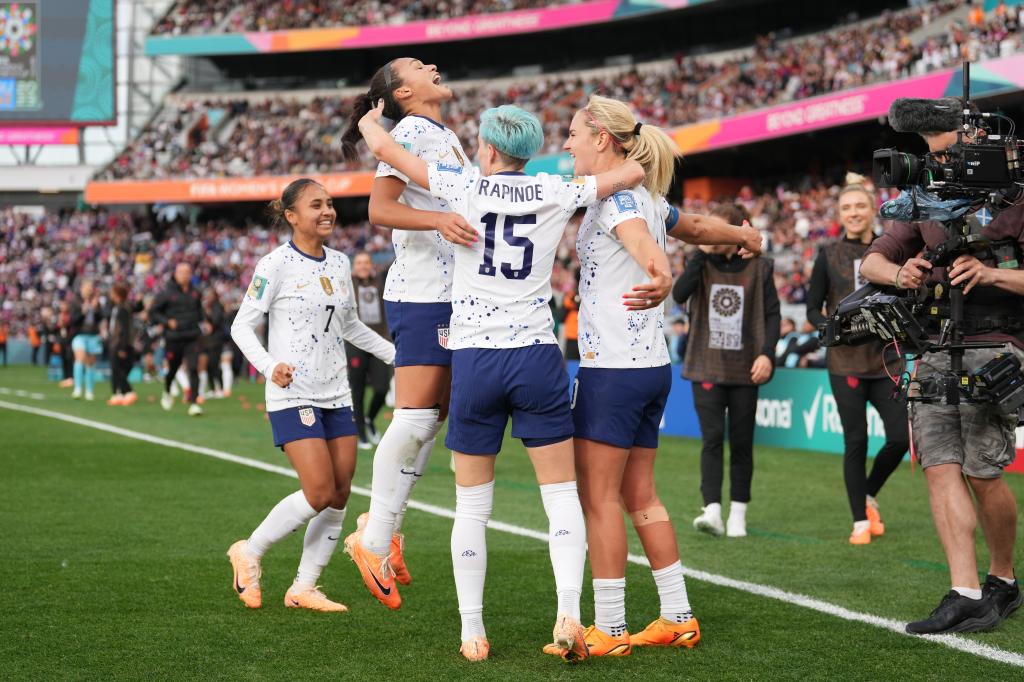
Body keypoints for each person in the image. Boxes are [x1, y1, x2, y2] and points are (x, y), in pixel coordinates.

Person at [359, 100, 644, 662]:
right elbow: (631, 172)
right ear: (529, 152)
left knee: (472, 507)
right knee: (561, 498)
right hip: (537, 353)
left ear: (488, 149)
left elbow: (391, 155)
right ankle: (569, 613)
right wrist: (621, 150)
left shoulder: (463, 184)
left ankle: (473, 633)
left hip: (475, 357)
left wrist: (371, 122)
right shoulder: (557, 191)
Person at [556, 95, 763, 656]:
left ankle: (611, 628)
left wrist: (662, 271)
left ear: (601, 137)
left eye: (573, 133)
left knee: (597, 499)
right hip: (651, 367)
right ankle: (677, 616)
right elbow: (691, 225)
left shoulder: (619, 200)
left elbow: (649, 249)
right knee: (640, 496)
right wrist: (741, 236)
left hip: (613, 370)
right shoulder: (646, 196)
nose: (567, 143)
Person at [860, 114, 1023, 634]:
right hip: (932, 346)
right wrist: (900, 271)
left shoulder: (1016, 197)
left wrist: (993, 271)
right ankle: (964, 591)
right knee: (939, 465)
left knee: (982, 471)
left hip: (996, 344)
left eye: (947, 152)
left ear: (978, 143)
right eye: (932, 154)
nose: (939, 163)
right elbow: (872, 262)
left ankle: (1003, 578)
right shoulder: (924, 201)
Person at [340, 58, 478, 597]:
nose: (436, 66)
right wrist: (439, 220)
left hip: (449, 294)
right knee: (418, 414)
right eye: (422, 66)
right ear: (403, 91)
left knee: (434, 415)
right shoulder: (415, 130)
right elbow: (380, 207)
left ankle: (386, 530)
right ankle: (372, 539)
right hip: (423, 293)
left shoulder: (439, 132)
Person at [227, 178, 396, 614]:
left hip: (336, 391)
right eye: (316, 204)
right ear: (291, 216)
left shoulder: (340, 263)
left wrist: (396, 354)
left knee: (340, 493)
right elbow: (241, 325)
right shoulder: (274, 264)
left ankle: (304, 586)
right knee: (318, 490)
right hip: (293, 393)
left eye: (331, 204)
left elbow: (352, 327)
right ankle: (249, 551)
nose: (327, 211)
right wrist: (270, 366)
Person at [806, 175, 909, 545]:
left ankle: (867, 494)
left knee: (900, 438)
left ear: (872, 211)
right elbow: (811, 309)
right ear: (839, 213)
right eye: (847, 208)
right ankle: (859, 522)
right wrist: (830, 328)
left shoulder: (892, 251)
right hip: (846, 363)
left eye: (860, 206)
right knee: (856, 441)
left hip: (886, 361)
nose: (854, 213)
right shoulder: (827, 254)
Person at [672, 204, 781, 538]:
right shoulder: (699, 262)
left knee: (743, 442)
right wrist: (700, 253)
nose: (711, 234)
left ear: (736, 231)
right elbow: (679, 295)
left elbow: (773, 315)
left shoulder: (760, 267)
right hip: (706, 365)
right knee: (712, 440)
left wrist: (767, 354)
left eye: (719, 229)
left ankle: (738, 513)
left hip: (747, 367)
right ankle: (712, 510)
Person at [345, 251, 392, 450]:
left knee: (382, 388)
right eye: (359, 262)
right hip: (355, 344)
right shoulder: (347, 283)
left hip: (379, 341)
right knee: (357, 389)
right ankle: (361, 434)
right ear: (353, 266)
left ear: (371, 265)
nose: (363, 266)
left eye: (366, 262)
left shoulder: (381, 281)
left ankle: (369, 419)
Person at [150, 262, 204, 416]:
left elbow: (199, 311)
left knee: (194, 368)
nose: (184, 275)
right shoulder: (166, 293)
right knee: (172, 369)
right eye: (181, 272)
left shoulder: (196, 292)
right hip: (174, 337)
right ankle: (167, 391)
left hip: (192, 336)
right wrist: (167, 322)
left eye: (187, 272)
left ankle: (194, 402)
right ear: (175, 274)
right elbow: (153, 312)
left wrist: (205, 321)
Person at [69, 280, 105, 400]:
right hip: (79, 334)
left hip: (93, 335)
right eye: (87, 288)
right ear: (82, 288)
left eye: (91, 288)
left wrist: (96, 309)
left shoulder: (96, 301)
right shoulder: (75, 301)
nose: (89, 290)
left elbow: (102, 317)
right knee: (80, 357)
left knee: (90, 362)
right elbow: (73, 320)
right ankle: (78, 388)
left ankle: (89, 391)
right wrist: (83, 312)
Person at [106, 283, 138, 406]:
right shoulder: (117, 307)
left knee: (118, 369)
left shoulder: (123, 309)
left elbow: (124, 330)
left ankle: (127, 392)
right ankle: (117, 394)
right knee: (116, 370)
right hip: (116, 342)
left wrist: (122, 347)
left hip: (119, 344)